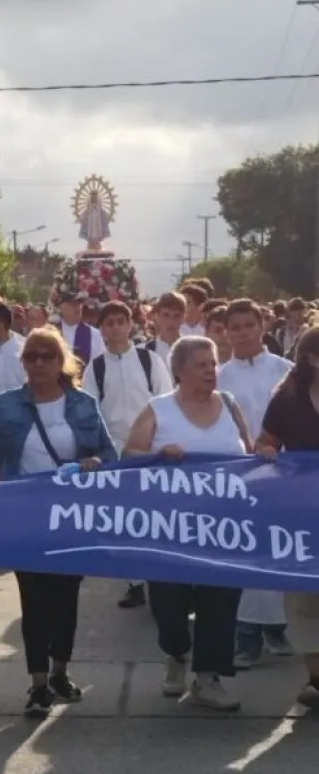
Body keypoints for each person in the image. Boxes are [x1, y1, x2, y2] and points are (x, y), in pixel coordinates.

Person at [0, 327, 116, 717]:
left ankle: (60, 672)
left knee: (65, 599)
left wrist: (96, 462)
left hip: (71, 517)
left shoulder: (84, 404)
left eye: (47, 356)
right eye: (31, 356)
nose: (38, 363)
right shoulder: (6, 405)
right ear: (23, 362)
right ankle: (37, 683)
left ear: (62, 362)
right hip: (23, 517)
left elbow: (109, 453)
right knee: (34, 600)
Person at [124, 336, 252, 712]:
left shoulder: (229, 405)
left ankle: (209, 678)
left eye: (212, 364)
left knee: (221, 601)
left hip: (224, 528)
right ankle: (177, 652)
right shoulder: (159, 410)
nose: (211, 371)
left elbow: (248, 452)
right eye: (201, 365)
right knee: (168, 603)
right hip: (169, 529)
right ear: (179, 371)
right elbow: (128, 455)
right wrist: (158, 455)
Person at [216, 300, 294, 668]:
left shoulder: (288, 371)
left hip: (284, 478)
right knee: (245, 551)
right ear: (226, 332)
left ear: (262, 326)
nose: (243, 333)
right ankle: (245, 633)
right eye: (236, 327)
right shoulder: (217, 377)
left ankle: (278, 627)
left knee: (280, 549)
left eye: (249, 325)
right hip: (239, 479)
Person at [83, 301, 173, 610]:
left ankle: (160, 578)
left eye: (121, 321)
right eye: (109, 323)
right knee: (123, 520)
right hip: (113, 454)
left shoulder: (150, 361)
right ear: (102, 328)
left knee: (154, 515)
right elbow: (90, 412)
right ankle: (134, 582)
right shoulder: (95, 367)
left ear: (130, 324)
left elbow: (165, 401)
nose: (116, 328)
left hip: (149, 450)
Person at [256, 325, 319, 709]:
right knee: (304, 600)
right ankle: (316, 678)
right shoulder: (287, 399)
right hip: (301, 517)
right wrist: (265, 452)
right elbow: (265, 441)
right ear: (313, 358)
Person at [54, 292, 105, 366]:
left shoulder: (94, 334)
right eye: (72, 304)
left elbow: (101, 364)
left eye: (79, 303)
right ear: (61, 307)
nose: (77, 307)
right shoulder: (52, 332)